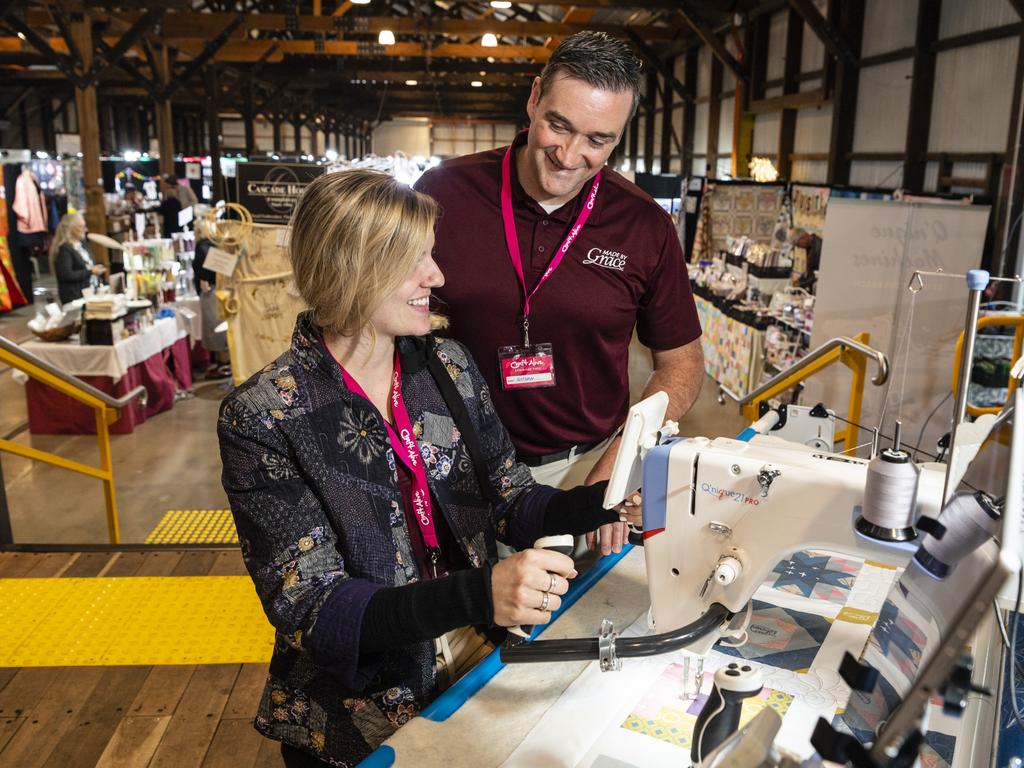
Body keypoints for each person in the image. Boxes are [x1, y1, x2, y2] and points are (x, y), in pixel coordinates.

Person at [218, 170, 633, 766]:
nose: (436, 276)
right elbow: (314, 608)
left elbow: (510, 496)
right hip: (357, 717)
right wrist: (480, 593)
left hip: (472, 662)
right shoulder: (265, 415)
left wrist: (605, 503)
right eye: (414, 260)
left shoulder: (446, 364)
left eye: (431, 255)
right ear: (351, 268)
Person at [414, 32, 705, 556]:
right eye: (558, 125)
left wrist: (622, 461)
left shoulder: (643, 226)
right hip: (453, 468)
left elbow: (681, 364)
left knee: (565, 629)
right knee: (462, 627)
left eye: (598, 140)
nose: (569, 156)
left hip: (582, 471)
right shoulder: (443, 193)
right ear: (533, 98)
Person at [192, 219, 231, 379]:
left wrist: (204, 278)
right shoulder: (216, 245)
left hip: (211, 294)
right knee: (221, 330)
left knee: (216, 332)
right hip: (221, 291)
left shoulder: (202, 246)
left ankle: (223, 367)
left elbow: (205, 269)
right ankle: (224, 366)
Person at [49, 212, 105, 304]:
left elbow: (88, 265)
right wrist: (90, 272)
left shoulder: (82, 245)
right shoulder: (64, 249)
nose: (84, 229)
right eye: (81, 226)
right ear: (71, 228)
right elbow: (65, 274)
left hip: (89, 291)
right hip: (74, 296)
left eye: (84, 226)